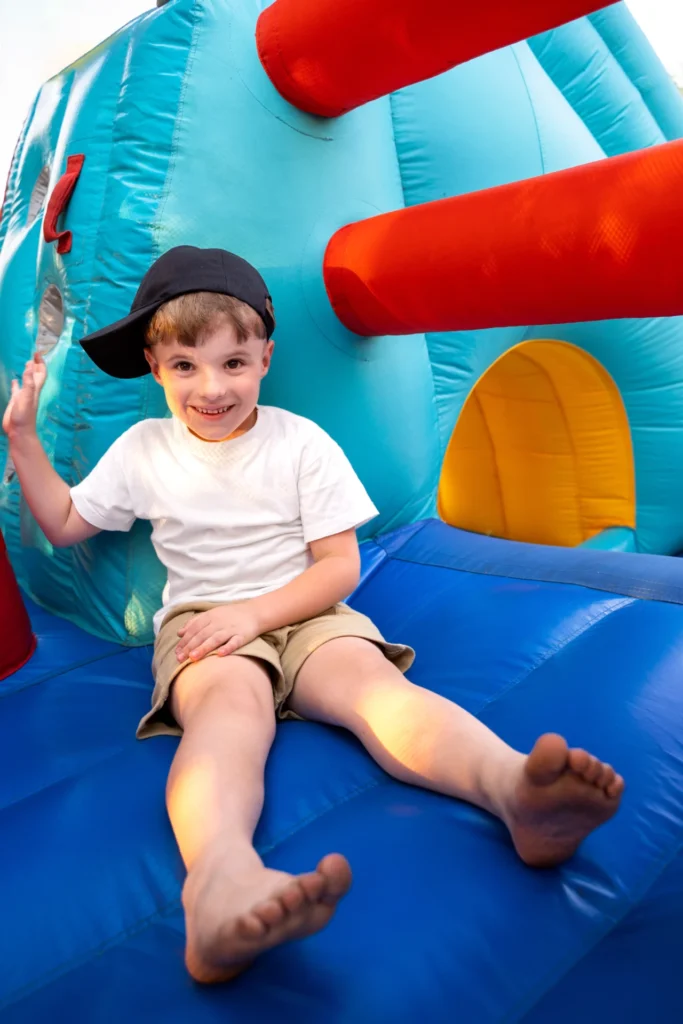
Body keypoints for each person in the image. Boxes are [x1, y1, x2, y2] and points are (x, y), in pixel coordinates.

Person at [2, 246, 624, 984]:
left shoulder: (298, 442)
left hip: (304, 608)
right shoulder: (145, 449)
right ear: (154, 364)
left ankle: (515, 790)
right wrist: (23, 438)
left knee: (377, 692)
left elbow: (338, 567)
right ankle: (220, 883)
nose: (211, 388)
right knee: (228, 718)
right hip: (204, 620)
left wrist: (258, 613)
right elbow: (66, 522)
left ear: (265, 357)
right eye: (185, 367)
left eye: (233, 363)